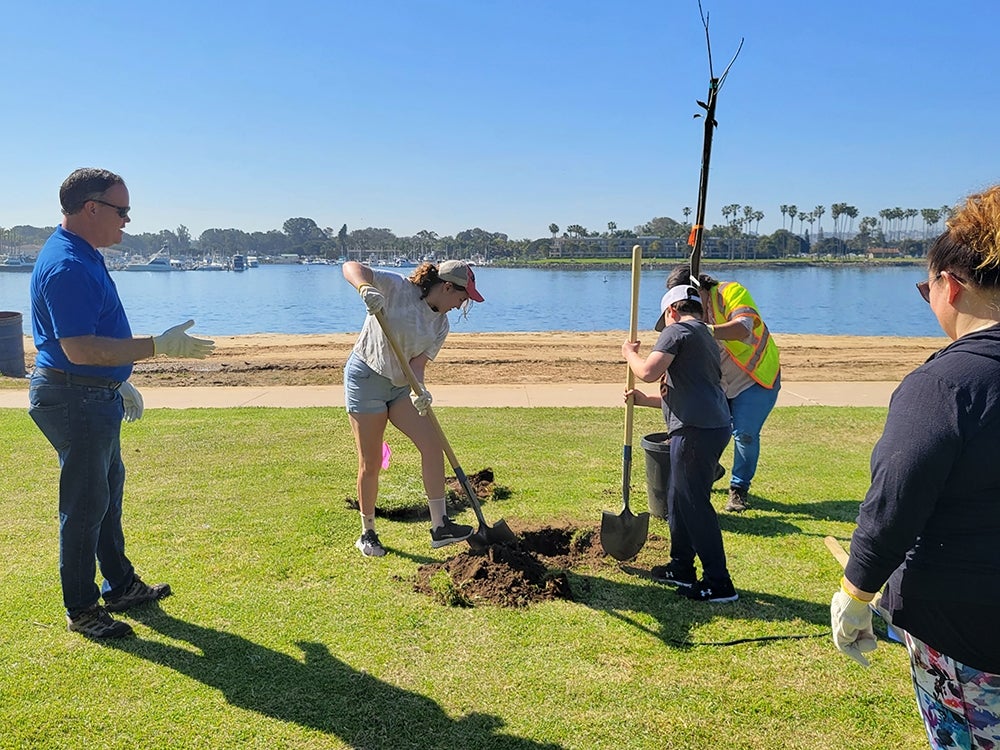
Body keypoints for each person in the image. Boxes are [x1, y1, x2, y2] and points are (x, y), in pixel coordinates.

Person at [831, 185, 1000, 748]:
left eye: (926, 288)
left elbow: (896, 501)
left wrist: (854, 595)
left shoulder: (945, 384)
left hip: (970, 634)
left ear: (951, 286)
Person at [29, 167, 215, 639]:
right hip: (76, 396)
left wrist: (119, 381)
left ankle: (122, 586)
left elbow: (87, 343)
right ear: (91, 208)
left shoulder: (83, 253)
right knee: (86, 504)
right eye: (122, 210)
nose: (127, 221)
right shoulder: (68, 263)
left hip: (92, 393)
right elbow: (80, 349)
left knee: (105, 495)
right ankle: (83, 610)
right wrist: (157, 346)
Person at [342, 258, 484, 557]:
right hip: (366, 379)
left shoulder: (440, 325)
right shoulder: (396, 288)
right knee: (370, 461)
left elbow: (416, 365)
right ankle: (368, 533)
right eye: (461, 297)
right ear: (447, 287)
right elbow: (351, 266)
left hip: (399, 387)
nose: (461, 305)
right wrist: (365, 287)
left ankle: (440, 527)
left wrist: (421, 392)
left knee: (433, 445)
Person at [622, 284, 737, 602]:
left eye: (665, 321)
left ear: (672, 311)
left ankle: (719, 581)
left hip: (696, 430)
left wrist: (630, 353)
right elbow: (690, 391)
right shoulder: (706, 337)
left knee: (694, 504)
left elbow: (647, 371)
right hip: (709, 424)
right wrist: (644, 400)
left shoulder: (677, 332)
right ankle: (681, 567)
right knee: (677, 499)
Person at [666, 266, 781, 513]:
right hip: (719, 383)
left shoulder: (731, 292)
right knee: (708, 429)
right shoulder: (686, 317)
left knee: (745, 433)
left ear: (699, 288)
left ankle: (738, 489)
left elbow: (743, 328)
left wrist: (702, 329)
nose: (685, 306)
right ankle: (711, 468)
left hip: (755, 378)